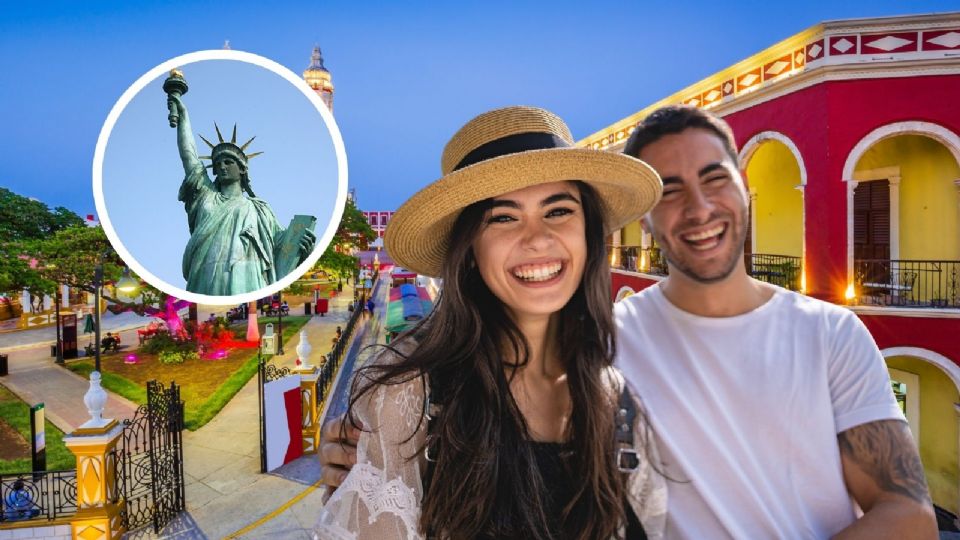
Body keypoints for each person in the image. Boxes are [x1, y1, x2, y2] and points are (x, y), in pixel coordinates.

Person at [320, 105, 936, 539]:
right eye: (502, 218)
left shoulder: (610, 373)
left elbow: (908, 513)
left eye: (715, 177)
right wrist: (368, 449)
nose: (697, 209)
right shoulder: (616, 343)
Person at [314, 106, 665, 539]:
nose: (537, 239)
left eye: (558, 211)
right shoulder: (410, 398)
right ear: (470, 250)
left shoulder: (616, 397)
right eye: (503, 217)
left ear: (588, 232)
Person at [167, 93, 316, 296]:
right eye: (218, 163)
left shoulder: (259, 209)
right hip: (205, 274)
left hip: (249, 278)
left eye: (228, 162)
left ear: (242, 168)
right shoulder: (206, 196)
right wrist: (183, 116)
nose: (222, 167)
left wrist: (305, 250)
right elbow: (189, 156)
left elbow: (282, 248)